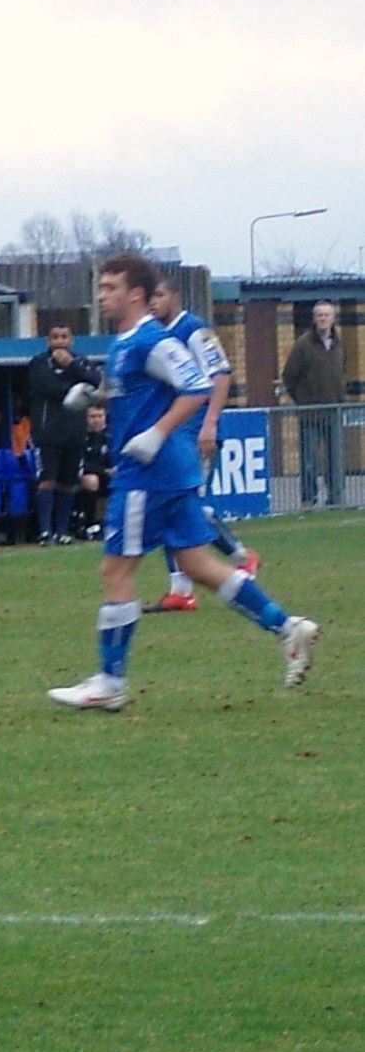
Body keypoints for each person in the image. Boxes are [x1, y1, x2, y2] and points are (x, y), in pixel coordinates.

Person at [46, 253, 317, 710]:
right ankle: (288, 627)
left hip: (148, 474)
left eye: (110, 288)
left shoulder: (151, 338)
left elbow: (196, 386)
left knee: (116, 570)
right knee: (198, 565)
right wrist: (95, 397)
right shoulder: (126, 342)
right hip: (169, 473)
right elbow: (136, 395)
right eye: (101, 287)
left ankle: (110, 682)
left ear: (136, 294)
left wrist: (157, 432)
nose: (101, 295)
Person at [148, 276, 255, 610]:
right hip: (173, 434)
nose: (153, 302)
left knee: (189, 505)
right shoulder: (155, 334)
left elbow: (221, 375)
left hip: (194, 433)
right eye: (149, 296)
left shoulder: (194, 329)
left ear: (176, 296)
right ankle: (182, 590)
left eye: (159, 295)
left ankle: (240, 558)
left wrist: (210, 422)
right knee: (172, 505)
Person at [21, 322, 101, 542]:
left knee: (69, 482)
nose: (60, 341)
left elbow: (95, 382)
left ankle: (63, 531)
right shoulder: (39, 363)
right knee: (47, 480)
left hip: (75, 432)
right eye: (55, 337)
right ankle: (45, 530)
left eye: (64, 337)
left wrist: (71, 365)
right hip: (47, 432)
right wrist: (77, 387)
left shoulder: (81, 361)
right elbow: (48, 387)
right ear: (49, 341)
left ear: (71, 340)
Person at [284, 299, 349, 508]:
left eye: (327, 315)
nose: (323, 319)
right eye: (319, 315)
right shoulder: (303, 344)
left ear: (333, 318)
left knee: (335, 460)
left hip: (335, 412)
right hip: (310, 413)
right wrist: (303, 400)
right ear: (314, 319)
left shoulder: (339, 344)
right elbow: (289, 376)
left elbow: (342, 372)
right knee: (309, 460)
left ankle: (336, 500)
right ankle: (308, 500)